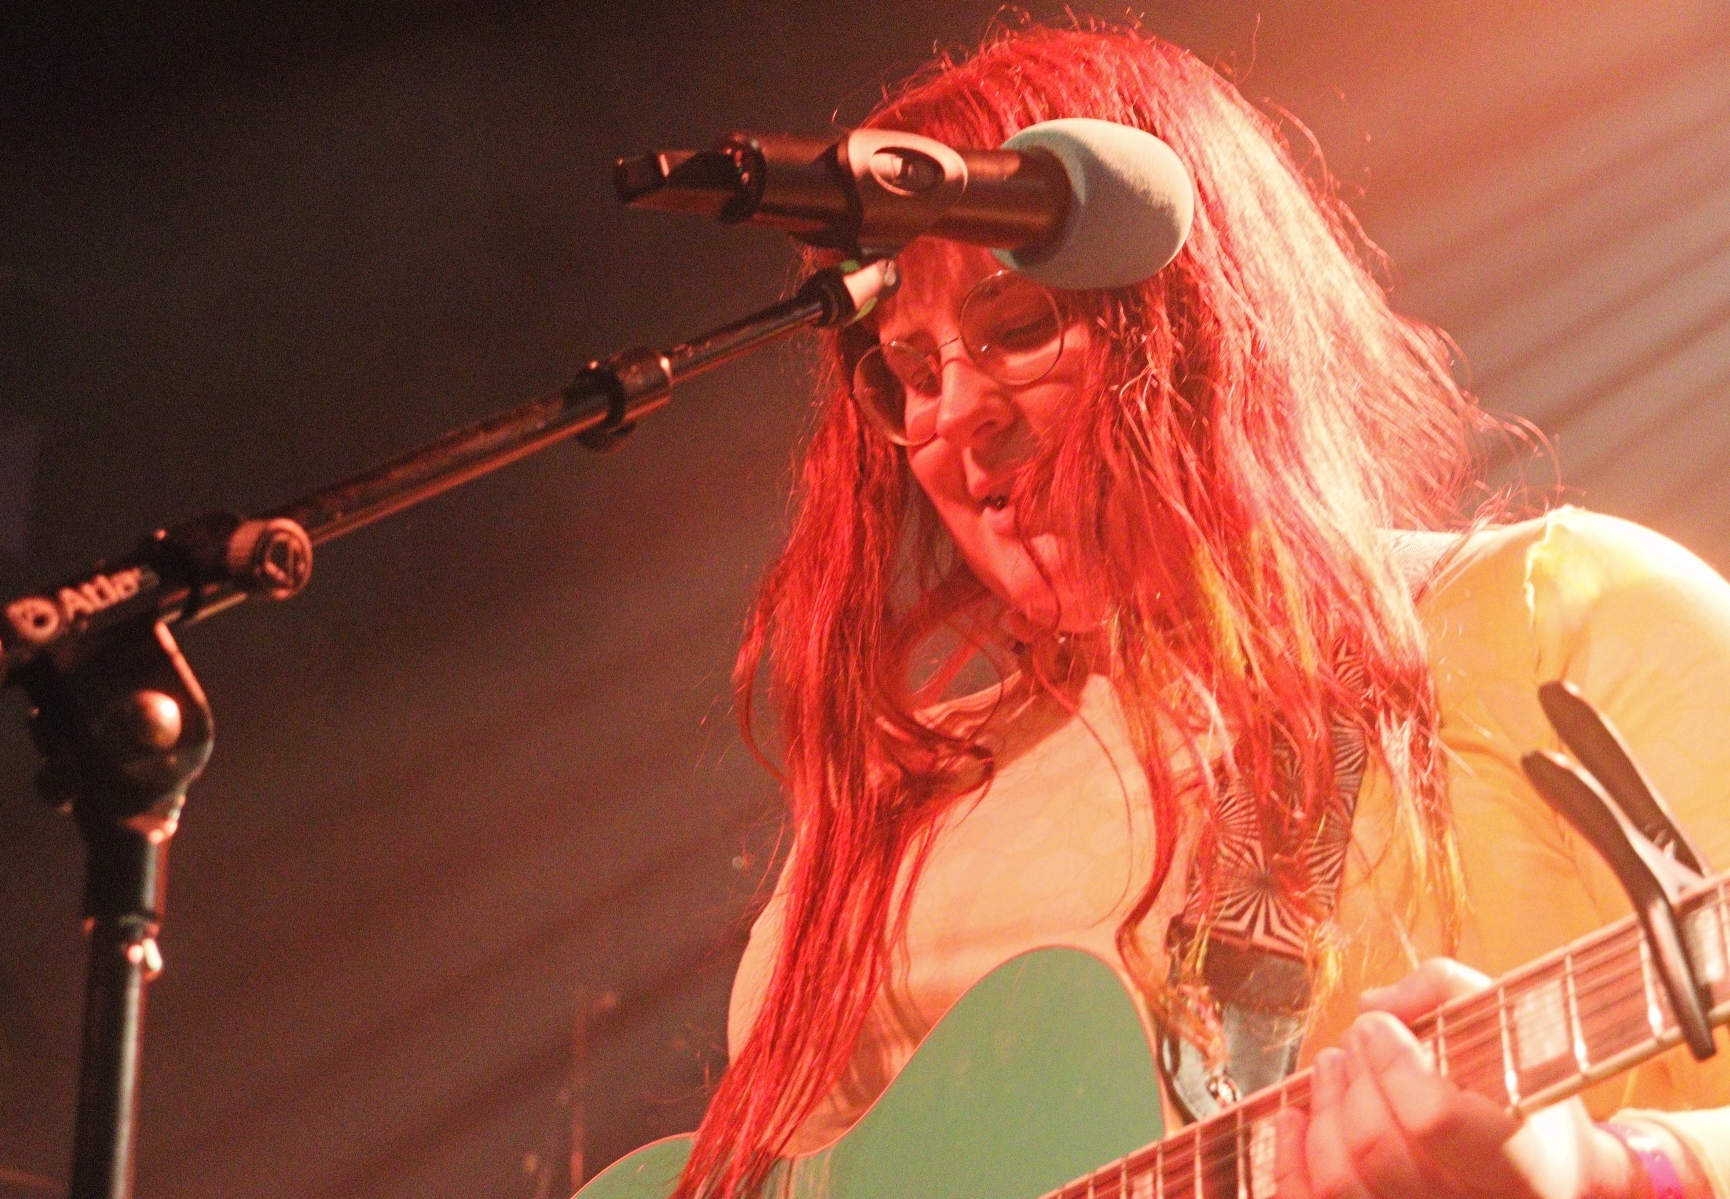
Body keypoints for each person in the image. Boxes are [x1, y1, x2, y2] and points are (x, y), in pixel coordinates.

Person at [676, 20, 1730, 1199]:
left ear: (1205, 326)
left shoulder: (1556, 622)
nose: (954, 413)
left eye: (1017, 327)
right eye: (912, 370)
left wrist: (1616, 1172)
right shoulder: (897, 813)